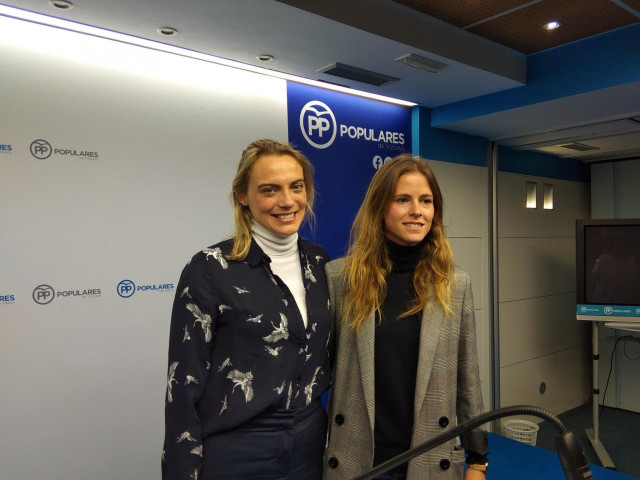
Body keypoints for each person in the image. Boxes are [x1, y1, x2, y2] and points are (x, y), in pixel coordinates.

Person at [162, 138, 331, 480]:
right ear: (243, 195)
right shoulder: (210, 268)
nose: (287, 201)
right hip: (238, 451)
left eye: (296, 187)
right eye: (270, 190)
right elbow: (183, 383)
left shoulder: (320, 261)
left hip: (310, 444)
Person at [323, 154, 488, 480]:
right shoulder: (340, 278)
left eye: (426, 201)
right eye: (403, 200)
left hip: (431, 458)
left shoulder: (455, 284)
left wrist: (478, 460)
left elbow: (468, 380)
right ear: (380, 208)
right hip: (359, 460)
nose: (417, 211)